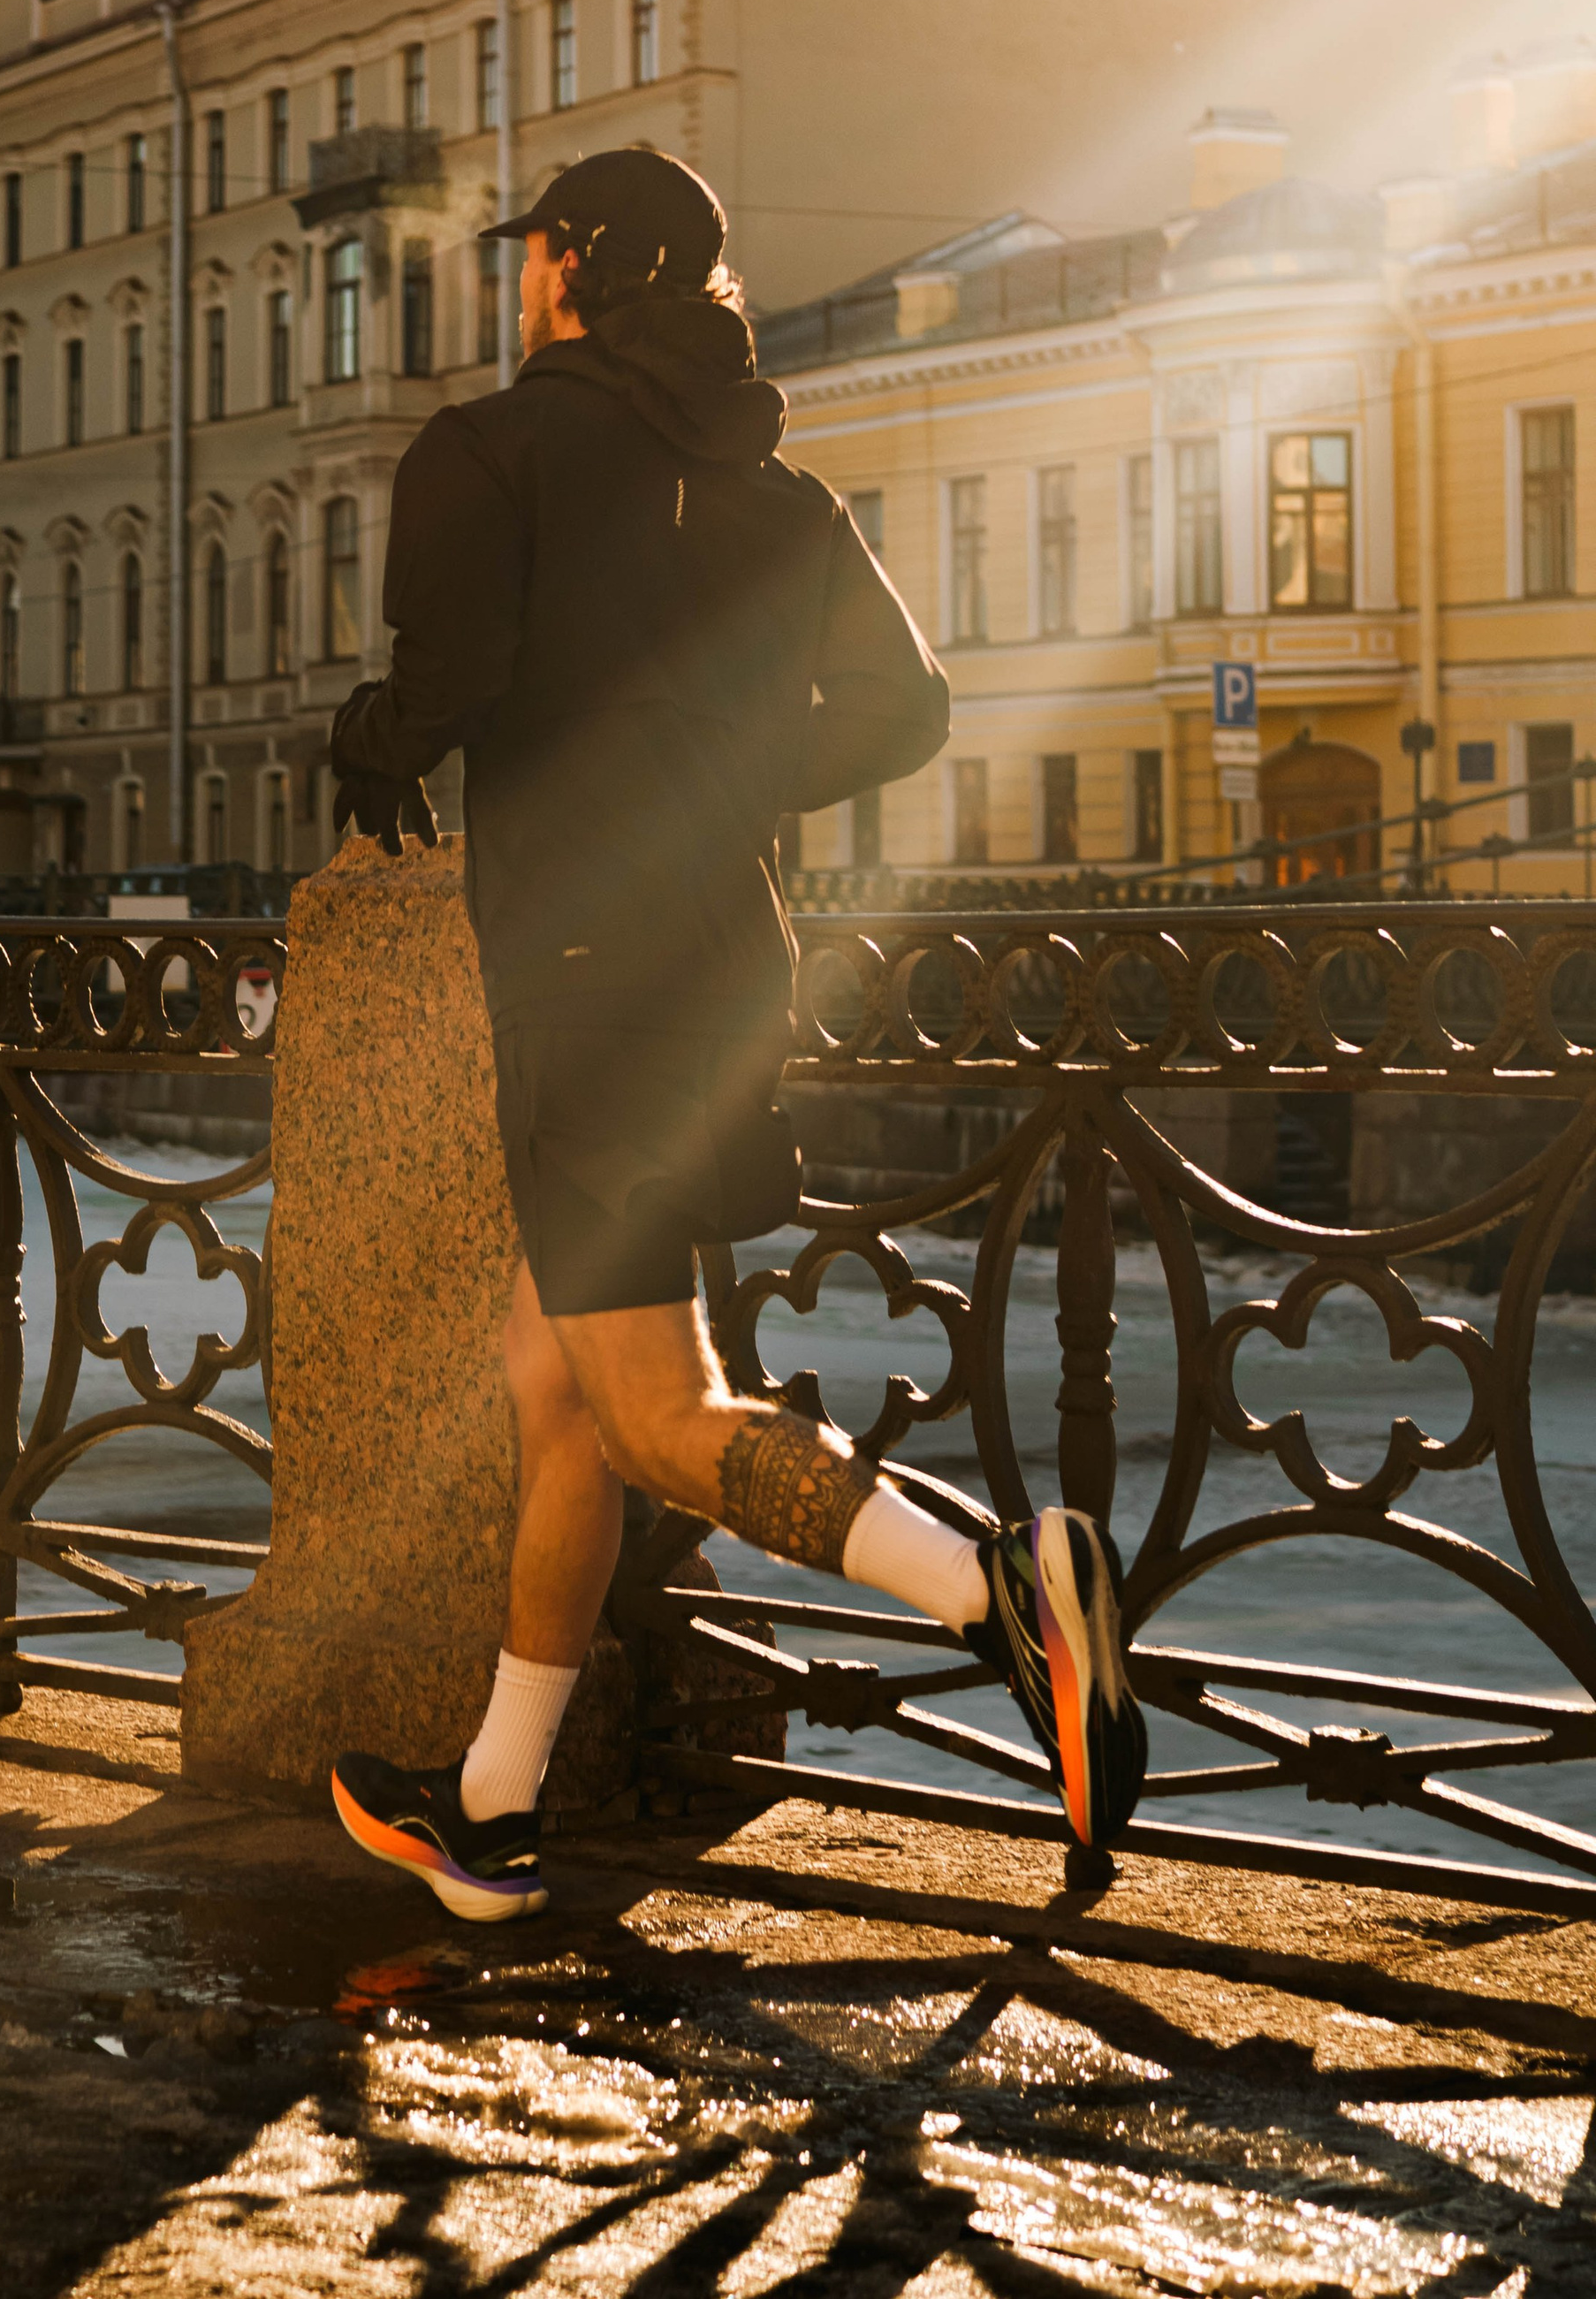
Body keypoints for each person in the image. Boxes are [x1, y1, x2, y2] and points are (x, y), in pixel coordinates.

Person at [323, 149, 1145, 1922]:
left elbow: (446, 682)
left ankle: (997, 1593)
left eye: (533, 251)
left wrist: (369, 738)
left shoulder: (485, 453)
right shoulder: (768, 488)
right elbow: (905, 709)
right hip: (713, 961)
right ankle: (491, 1809)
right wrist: (711, 777)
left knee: (641, 1405)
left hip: (578, 967)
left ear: (573, 269)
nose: (519, 278)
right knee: (555, 1391)